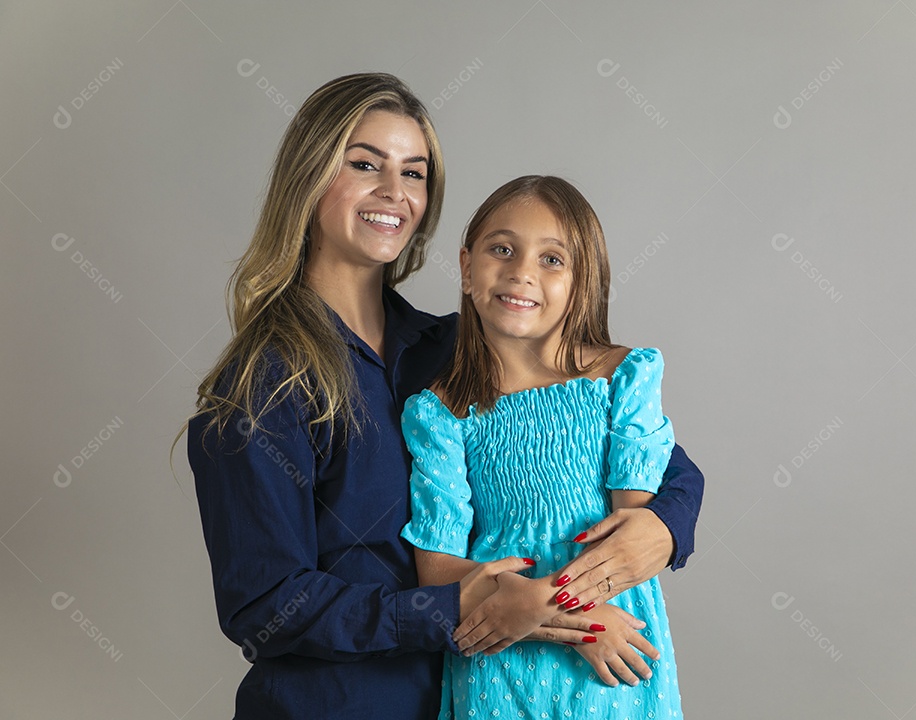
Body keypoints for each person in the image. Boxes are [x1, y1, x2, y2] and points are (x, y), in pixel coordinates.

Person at [186, 73, 703, 719]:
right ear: (308, 177)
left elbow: (644, 448)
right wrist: (464, 607)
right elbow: (265, 607)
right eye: (364, 164)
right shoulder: (262, 387)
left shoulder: (462, 350)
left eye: (413, 173)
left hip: (490, 696)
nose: (393, 192)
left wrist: (665, 526)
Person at [401, 175, 684, 718]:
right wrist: (548, 612)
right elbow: (436, 570)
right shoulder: (440, 415)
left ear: (583, 283)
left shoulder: (623, 379)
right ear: (466, 267)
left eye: (552, 259)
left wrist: (576, 615)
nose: (521, 272)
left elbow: (630, 541)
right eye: (502, 249)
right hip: (501, 654)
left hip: (614, 652)